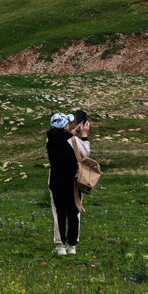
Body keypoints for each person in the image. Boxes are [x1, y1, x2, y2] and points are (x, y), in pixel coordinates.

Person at [46, 110, 91, 256]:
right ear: (65, 126)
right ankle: (72, 246)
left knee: (58, 212)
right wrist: (83, 135)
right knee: (73, 211)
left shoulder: (49, 140)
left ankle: (60, 246)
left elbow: (66, 138)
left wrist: (75, 131)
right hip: (72, 181)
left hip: (55, 180)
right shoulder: (73, 141)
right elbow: (85, 153)